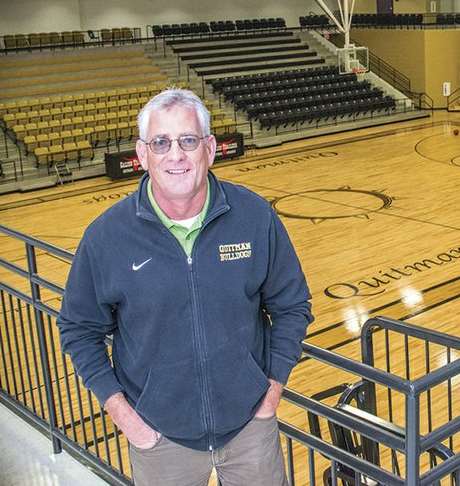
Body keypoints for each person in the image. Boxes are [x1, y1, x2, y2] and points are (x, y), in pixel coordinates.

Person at [57, 88, 313, 486]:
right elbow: (78, 329)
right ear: (142, 155)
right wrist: (126, 417)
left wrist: (272, 391)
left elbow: (293, 305)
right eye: (161, 142)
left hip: (250, 428)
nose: (175, 155)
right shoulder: (106, 236)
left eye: (188, 141)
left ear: (210, 149)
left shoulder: (255, 216)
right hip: (159, 439)